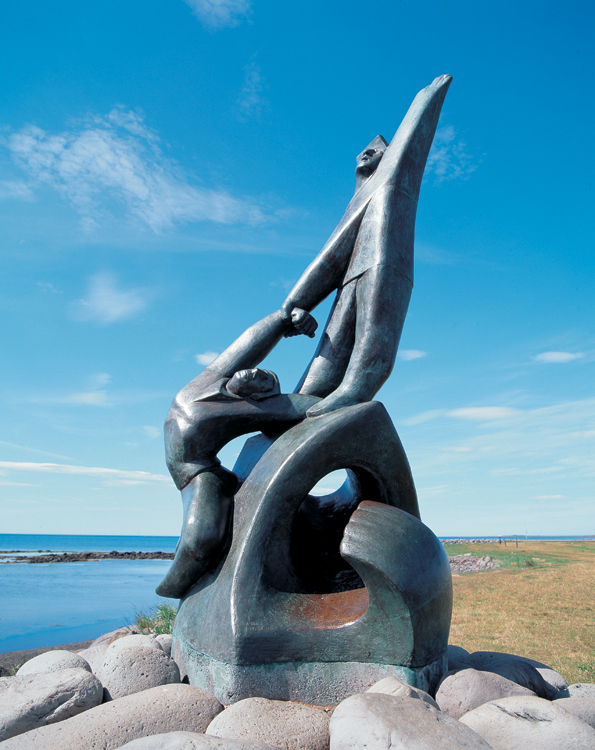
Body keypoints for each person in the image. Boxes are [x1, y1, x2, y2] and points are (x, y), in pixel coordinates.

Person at [280, 74, 451, 416]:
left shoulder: (390, 181)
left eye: (377, 151)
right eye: (363, 151)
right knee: (316, 381)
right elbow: (333, 255)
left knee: (370, 354)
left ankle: (354, 392)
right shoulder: (357, 200)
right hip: (349, 279)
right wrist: (295, 304)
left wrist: (425, 98)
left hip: (384, 264)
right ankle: (298, 409)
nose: (367, 153)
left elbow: (408, 145)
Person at [156, 306, 320, 598]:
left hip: (201, 473)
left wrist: (345, 398)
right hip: (192, 466)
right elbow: (248, 344)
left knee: (202, 538)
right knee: (199, 536)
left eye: (265, 382)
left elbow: (304, 406)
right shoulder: (210, 381)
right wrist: (283, 319)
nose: (257, 373)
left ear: (258, 398)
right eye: (263, 372)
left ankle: (172, 587)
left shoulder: (249, 410)